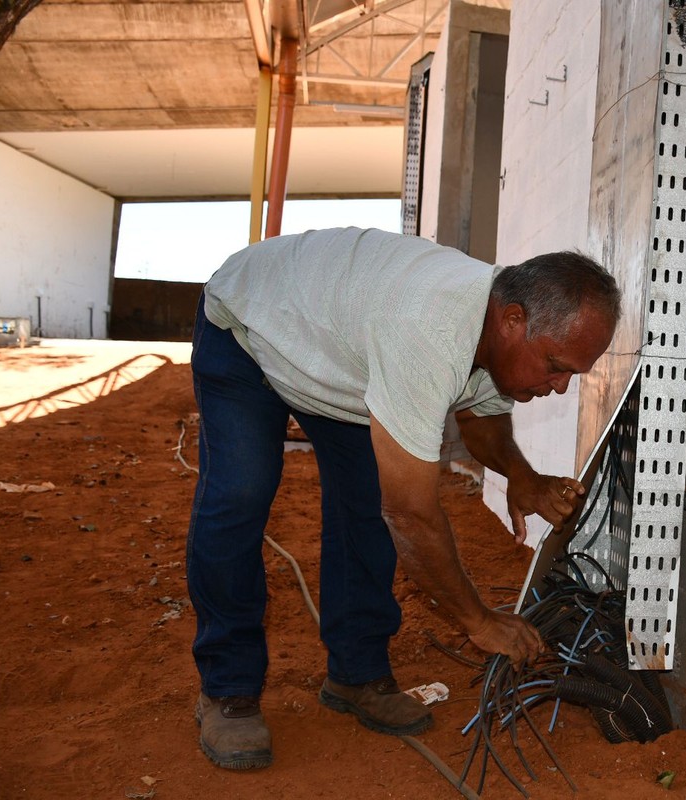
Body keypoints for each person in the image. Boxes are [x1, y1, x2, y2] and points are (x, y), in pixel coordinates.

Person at [185, 227, 620, 770]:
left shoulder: (499, 330)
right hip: (252, 331)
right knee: (241, 495)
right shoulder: (428, 333)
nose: (559, 386)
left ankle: (356, 675)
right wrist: (480, 621)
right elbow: (411, 516)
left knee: (365, 506)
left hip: (340, 358)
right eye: (556, 366)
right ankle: (227, 689)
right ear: (513, 321)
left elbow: (480, 417)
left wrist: (521, 476)